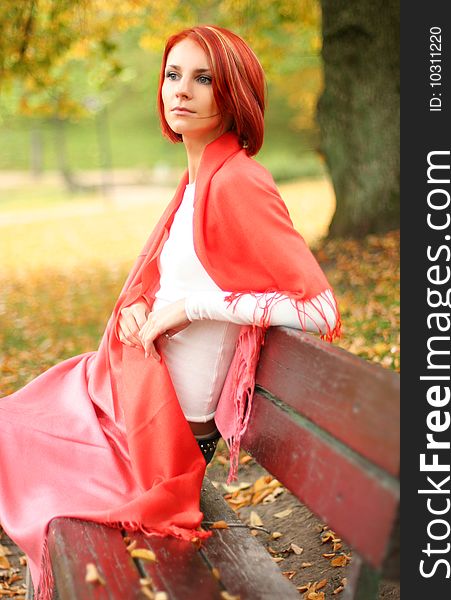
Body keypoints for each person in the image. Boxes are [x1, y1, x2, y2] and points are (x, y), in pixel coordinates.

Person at [0, 25, 340, 600]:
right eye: (173, 74)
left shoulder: (237, 182)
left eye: (203, 78)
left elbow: (319, 307)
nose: (180, 89)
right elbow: (169, 282)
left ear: (231, 93)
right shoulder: (196, 181)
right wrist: (141, 309)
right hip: (128, 396)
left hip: (161, 433)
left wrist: (191, 308)